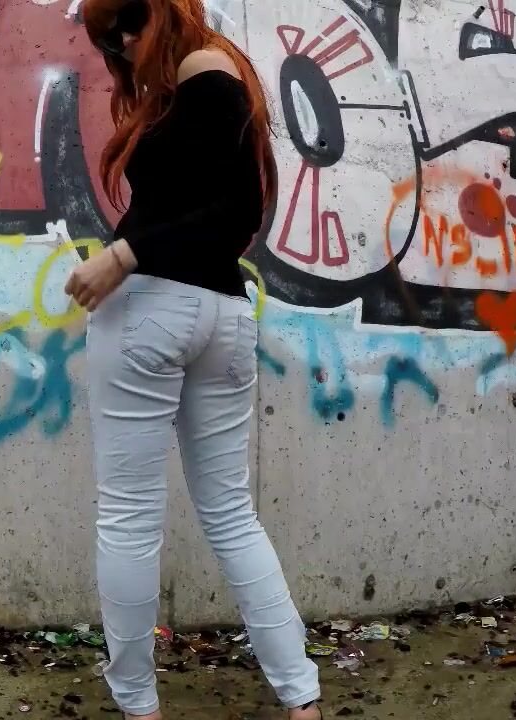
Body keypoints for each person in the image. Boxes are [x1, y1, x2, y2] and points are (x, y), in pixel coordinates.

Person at [64, 1, 322, 718]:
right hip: (221, 317)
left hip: (154, 311)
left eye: (130, 18)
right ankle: (302, 700)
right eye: (108, 37)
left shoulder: (204, 68)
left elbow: (236, 210)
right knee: (232, 514)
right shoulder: (192, 83)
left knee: (129, 518)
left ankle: (138, 706)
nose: (123, 39)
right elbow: (215, 207)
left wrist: (123, 254)